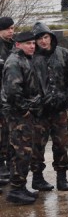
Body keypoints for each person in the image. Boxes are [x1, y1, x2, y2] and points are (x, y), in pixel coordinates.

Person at [30, 22, 68, 192]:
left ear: (51, 37)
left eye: (45, 37)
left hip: (59, 109)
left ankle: (62, 177)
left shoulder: (62, 53)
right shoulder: (31, 57)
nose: (43, 41)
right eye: (39, 39)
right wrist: (39, 100)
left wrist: (65, 95)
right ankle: (37, 177)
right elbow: (26, 84)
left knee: (61, 144)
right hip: (39, 111)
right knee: (37, 145)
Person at [1, 31, 43, 205]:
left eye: (33, 43)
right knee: (21, 151)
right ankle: (16, 190)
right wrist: (25, 110)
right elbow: (12, 92)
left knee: (23, 150)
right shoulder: (14, 62)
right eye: (28, 44)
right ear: (18, 45)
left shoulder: (25, 59)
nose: (32, 46)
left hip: (24, 112)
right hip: (17, 114)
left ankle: (20, 186)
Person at [0, 17, 15, 188]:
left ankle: (9, 165)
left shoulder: (12, 45)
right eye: (7, 29)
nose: (11, 31)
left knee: (9, 133)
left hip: (9, 95)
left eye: (12, 28)